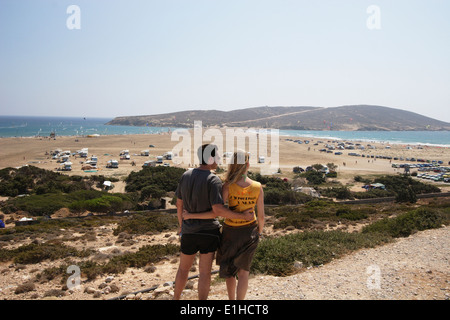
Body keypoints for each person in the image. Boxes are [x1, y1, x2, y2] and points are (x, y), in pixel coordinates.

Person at [173, 144, 253, 300]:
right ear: (209, 159)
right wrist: (243, 217)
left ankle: (176, 298)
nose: (219, 159)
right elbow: (218, 211)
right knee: (204, 272)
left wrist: (182, 226)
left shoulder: (185, 175)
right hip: (208, 232)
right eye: (217, 156)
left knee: (183, 270)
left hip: (188, 231)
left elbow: (179, 205)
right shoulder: (213, 180)